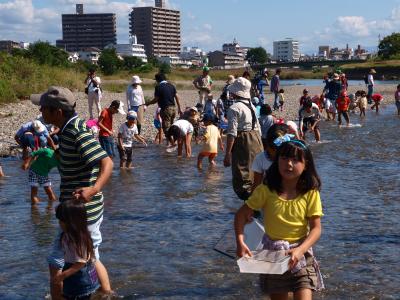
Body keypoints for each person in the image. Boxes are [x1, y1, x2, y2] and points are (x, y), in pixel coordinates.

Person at [36, 86, 113, 299]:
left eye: (44, 108)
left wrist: (94, 189)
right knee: (92, 255)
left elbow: (106, 162)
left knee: (55, 259)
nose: (40, 112)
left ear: (57, 112)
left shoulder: (75, 131)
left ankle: (61, 296)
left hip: (81, 210)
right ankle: (107, 293)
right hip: (82, 209)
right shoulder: (68, 129)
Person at [235, 138, 324, 298]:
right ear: (277, 161)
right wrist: (240, 243)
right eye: (284, 158)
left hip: (301, 254)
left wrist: (300, 250)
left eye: (296, 160)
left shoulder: (310, 193)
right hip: (273, 256)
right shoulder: (266, 190)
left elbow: (316, 228)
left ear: (306, 165)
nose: (289, 164)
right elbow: (240, 216)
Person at [223, 77, 263, 201]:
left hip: (243, 140)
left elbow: (232, 133)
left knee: (242, 176)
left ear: (235, 92)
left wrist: (227, 154)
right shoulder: (251, 105)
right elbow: (258, 127)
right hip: (256, 139)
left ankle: (250, 208)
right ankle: (257, 206)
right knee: (255, 174)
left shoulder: (234, 108)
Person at [55, 201, 100, 300]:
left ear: (73, 221)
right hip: (73, 271)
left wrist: (63, 275)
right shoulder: (67, 234)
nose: (59, 224)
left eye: (62, 221)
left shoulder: (79, 239)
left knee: (79, 296)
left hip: (80, 276)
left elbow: (81, 263)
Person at [251, 123, 290, 191]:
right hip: (270, 192)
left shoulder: (292, 159)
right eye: (273, 149)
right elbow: (256, 184)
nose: (276, 153)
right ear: (267, 144)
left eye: (280, 150)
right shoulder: (260, 158)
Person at [147, 73, 183, 143]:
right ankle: (169, 143)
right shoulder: (171, 86)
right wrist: (179, 108)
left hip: (166, 109)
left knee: (166, 129)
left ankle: (173, 144)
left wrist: (148, 103)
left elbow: (155, 100)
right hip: (173, 109)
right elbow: (177, 97)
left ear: (157, 80)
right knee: (172, 127)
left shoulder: (158, 87)